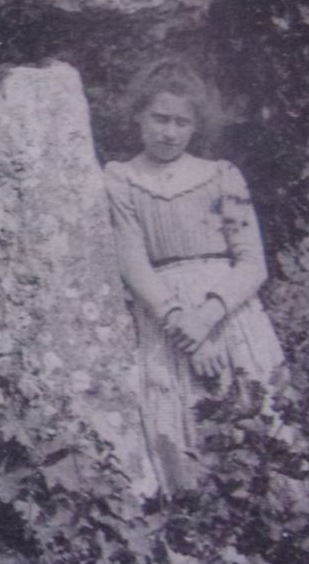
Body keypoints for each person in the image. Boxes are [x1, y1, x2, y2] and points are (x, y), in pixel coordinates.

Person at [102, 57, 286, 493]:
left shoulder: (222, 178)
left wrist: (206, 318)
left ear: (195, 125)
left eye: (181, 122)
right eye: (160, 118)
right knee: (181, 430)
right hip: (167, 316)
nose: (170, 132)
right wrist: (182, 325)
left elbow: (252, 262)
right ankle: (199, 536)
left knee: (253, 415)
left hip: (227, 312)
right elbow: (132, 263)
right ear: (138, 117)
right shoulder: (121, 180)